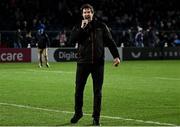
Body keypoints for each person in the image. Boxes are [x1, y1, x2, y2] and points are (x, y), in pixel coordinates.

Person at [68, 4, 121, 126]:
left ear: (93, 13)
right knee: (78, 90)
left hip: (98, 64)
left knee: (98, 92)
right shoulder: (78, 26)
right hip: (82, 63)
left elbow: (110, 41)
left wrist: (116, 56)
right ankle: (78, 113)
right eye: (85, 12)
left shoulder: (101, 26)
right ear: (82, 14)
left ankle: (96, 117)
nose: (87, 14)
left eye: (89, 12)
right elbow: (71, 41)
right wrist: (82, 29)